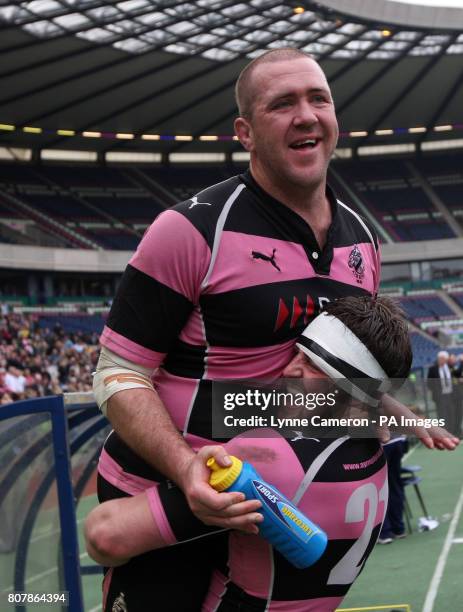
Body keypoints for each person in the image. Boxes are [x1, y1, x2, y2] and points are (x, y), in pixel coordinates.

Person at [92, 48, 457, 611]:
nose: (305, 115)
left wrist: (397, 414)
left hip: (278, 493)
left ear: (336, 118)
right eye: (281, 104)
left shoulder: (362, 238)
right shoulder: (189, 230)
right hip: (171, 489)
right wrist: (188, 469)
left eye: (318, 99)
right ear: (245, 131)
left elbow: (340, 365)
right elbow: (118, 374)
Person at [87, 295, 413, 610]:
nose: (289, 371)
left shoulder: (268, 458)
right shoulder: (374, 449)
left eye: (314, 367)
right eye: (298, 355)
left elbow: (104, 536)